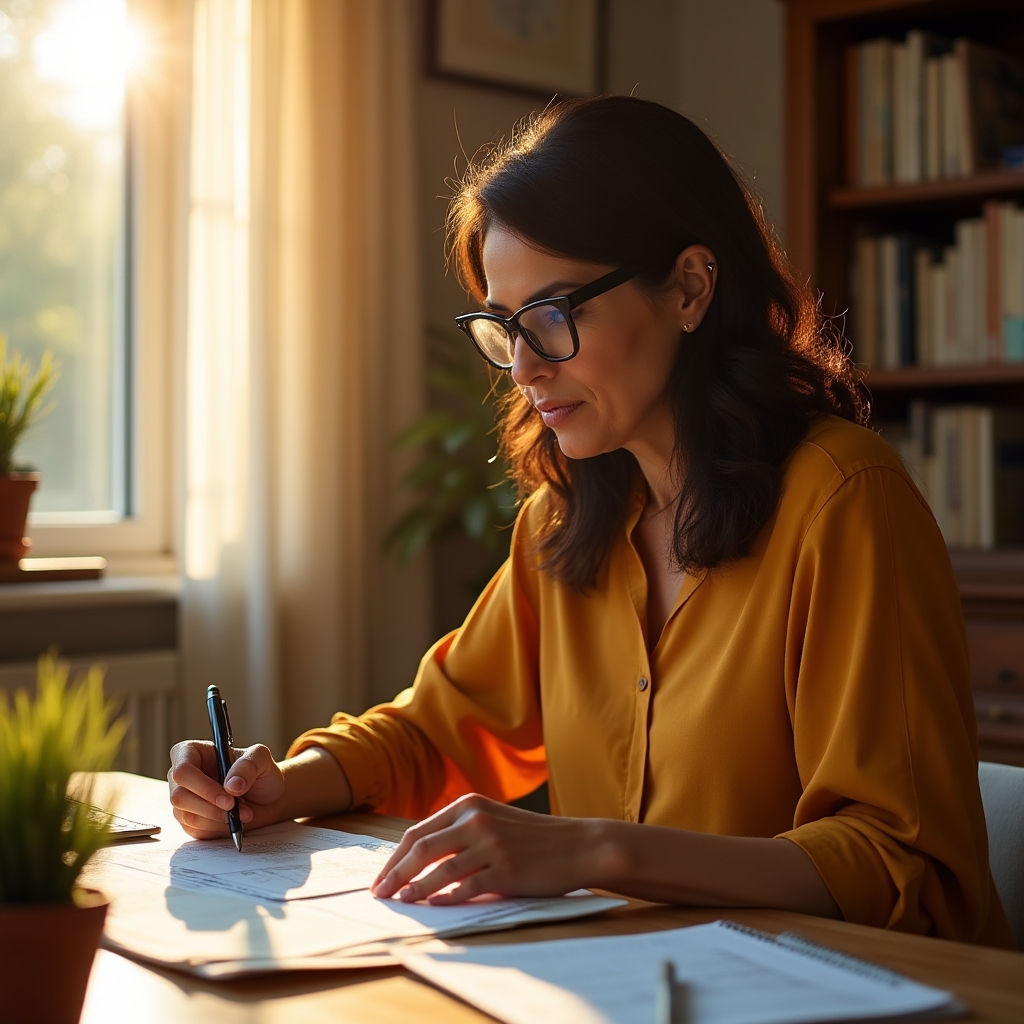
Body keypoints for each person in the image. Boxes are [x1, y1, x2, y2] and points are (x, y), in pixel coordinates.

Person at [168, 96, 1012, 947]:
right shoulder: (565, 522)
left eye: (553, 317)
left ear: (689, 286)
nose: (525, 368)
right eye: (503, 327)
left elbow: (899, 866)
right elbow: (439, 730)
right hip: (635, 984)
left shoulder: (844, 501)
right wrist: (283, 784)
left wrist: (597, 849)